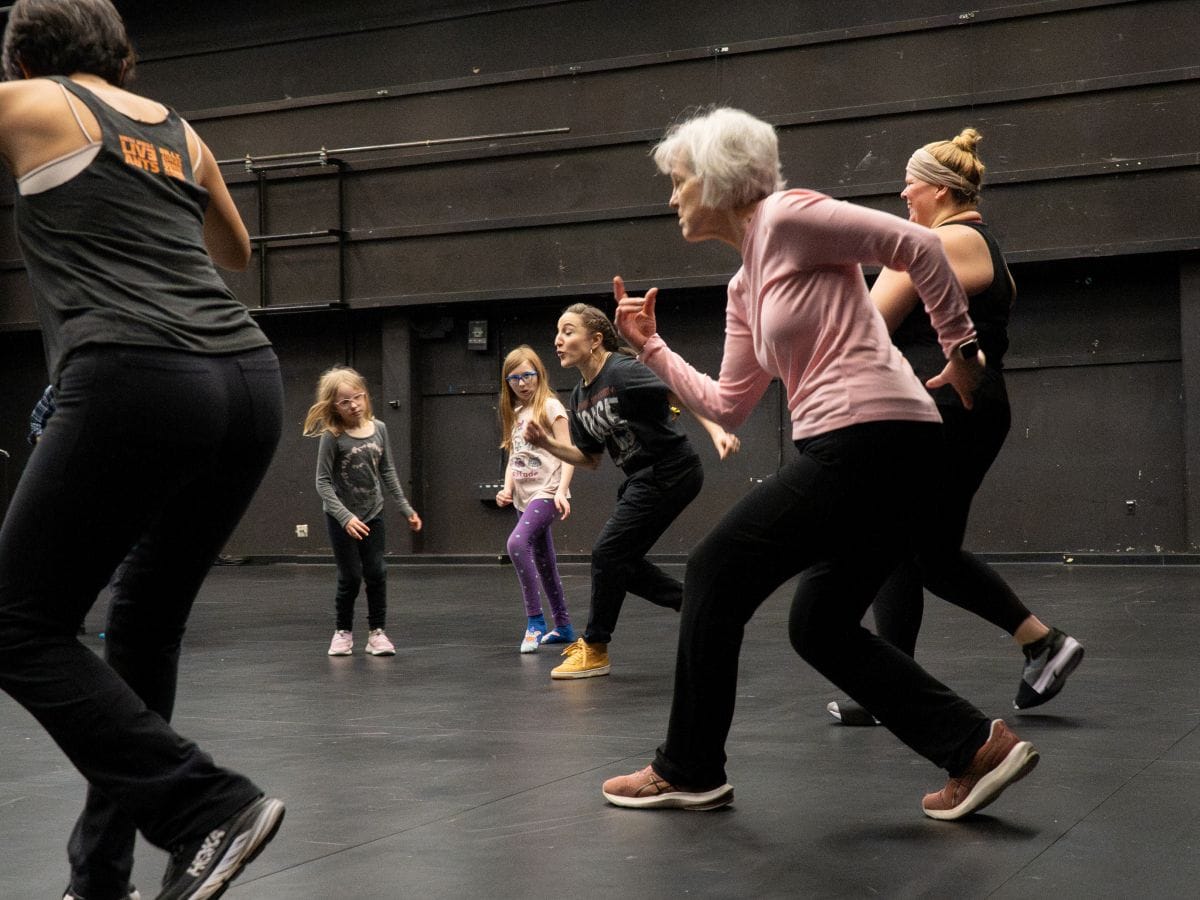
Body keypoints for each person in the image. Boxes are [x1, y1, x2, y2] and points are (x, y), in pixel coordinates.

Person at [604, 107, 1039, 820]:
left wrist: (961, 351)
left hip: (873, 438)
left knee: (715, 570)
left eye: (679, 181)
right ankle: (975, 748)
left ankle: (688, 768)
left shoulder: (789, 214)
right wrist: (650, 348)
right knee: (821, 626)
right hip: (872, 449)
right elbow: (731, 400)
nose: (672, 196)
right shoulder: (745, 285)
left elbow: (921, 249)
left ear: (717, 180)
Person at [0, 3, 285, 898]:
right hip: (247, 381)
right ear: (115, 50)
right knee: (143, 625)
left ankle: (206, 807)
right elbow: (235, 250)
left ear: (23, 53)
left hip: (139, 375)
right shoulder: (178, 128)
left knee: (14, 621)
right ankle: (101, 876)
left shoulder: (28, 104)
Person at [826, 129, 1083, 727]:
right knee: (926, 552)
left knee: (895, 542)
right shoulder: (984, 246)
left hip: (938, 405)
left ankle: (896, 687)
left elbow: (870, 322)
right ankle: (1038, 643)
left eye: (910, 184)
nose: (903, 194)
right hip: (970, 405)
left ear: (939, 190)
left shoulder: (942, 239)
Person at [523, 303, 739, 680]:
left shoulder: (621, 372)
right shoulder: (578, 396)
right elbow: (588, 458)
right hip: (642, 477)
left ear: (595, 340)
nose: (558, 340)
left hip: (672, 469)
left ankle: (595, 647)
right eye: (557, 332)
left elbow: (680, 390)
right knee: (620, 561)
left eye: (568, 331)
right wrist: (546, 443)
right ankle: (701, 606)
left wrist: (718, 429)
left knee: (608, 552)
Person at [303, 366, 422, 657]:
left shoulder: (379, 429)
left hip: (372, 512)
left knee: (377, 572)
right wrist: (344, 517)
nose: (354, 405)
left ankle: (377, 633)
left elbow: (387, 470)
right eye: (345, 401)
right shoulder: (332, 436)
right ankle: (342, 632)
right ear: (334, 405)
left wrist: (406, 508)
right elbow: (322, 482)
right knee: (351, 576)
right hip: (342, 518)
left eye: (357, 397)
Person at [495, 345, 577, 652]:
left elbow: (568, 454)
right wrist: (507, 488)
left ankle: (535, 622)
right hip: (523, 497)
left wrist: (561, 491)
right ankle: (564, 626)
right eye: (514, 378)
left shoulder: (551, 408)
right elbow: (514, 454)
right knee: (544, 561)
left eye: (527, 375)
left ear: (539, 375)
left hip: (547, 493)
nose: (522, 383)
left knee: (517, 544)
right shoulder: (516, 413)